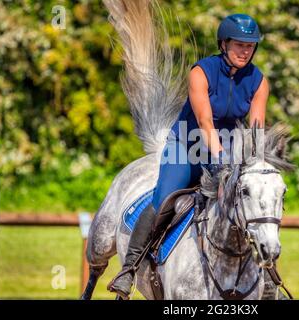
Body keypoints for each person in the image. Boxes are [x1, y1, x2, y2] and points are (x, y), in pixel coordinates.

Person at [108, 13, 269, 299]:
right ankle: (129, 269)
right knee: (165, 199)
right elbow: (205, 122)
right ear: (223, 44)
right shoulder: (201, 72)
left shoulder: (258, 81)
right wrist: (219, 161)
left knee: (251, 205)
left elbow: (256, 129)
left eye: (250, 46)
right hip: (187, 146)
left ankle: (265, 276)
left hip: (228, 149)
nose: (245, 51)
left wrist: (253, 162)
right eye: (239, 45)